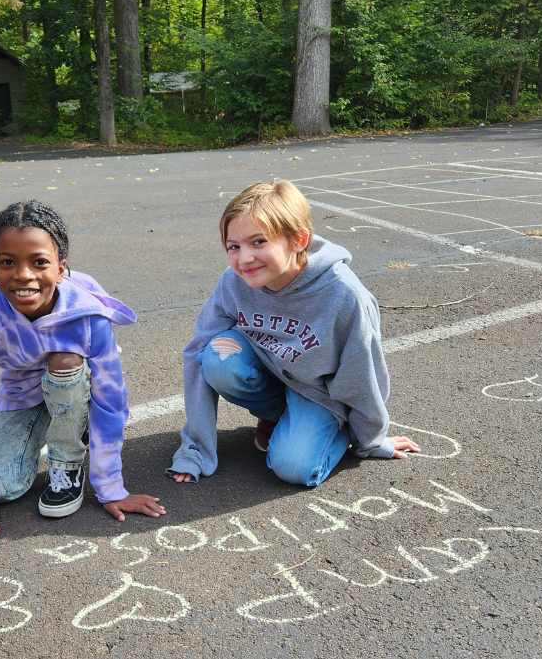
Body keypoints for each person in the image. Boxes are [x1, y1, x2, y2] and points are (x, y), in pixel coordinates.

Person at [168, 180, 420, 487]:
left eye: (258, 242)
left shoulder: (343, 294)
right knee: (218, 357)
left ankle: (333, 430)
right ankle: (278, 417)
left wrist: (371, 439)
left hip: (318, 391)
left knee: (294, 468)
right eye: (234, 246)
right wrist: (195, 451)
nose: (244, 258)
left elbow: (363, 374)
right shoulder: (233, 282)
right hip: (273, 371)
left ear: (298, 240)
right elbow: (195, 353)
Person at [0, 200, 166, 541]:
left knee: (64, 359)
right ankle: (59, 429)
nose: (23, 275)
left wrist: (110, 487)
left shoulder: (87, 314)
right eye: (8, 263)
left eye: (39, 262)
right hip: (24, 394)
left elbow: (111, 399)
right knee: (2, 488)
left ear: (61, 268)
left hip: (77, 387)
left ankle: (67, 458)